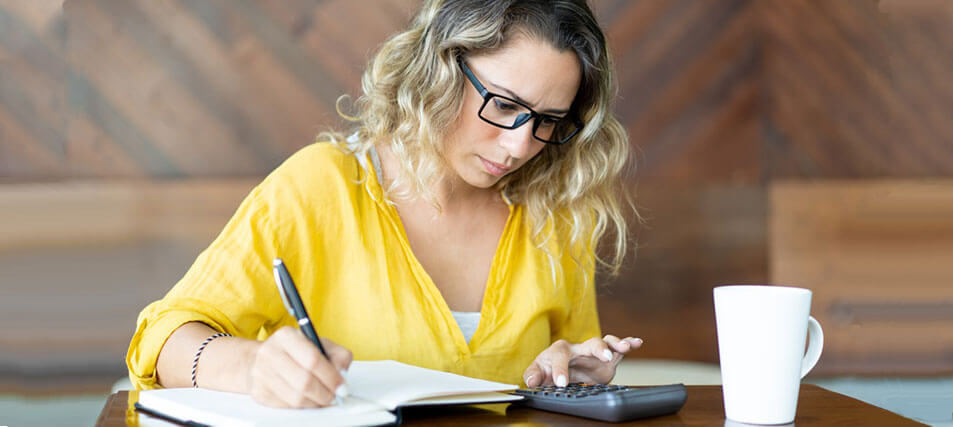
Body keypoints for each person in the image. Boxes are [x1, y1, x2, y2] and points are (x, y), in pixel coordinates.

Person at [126, 0, 641, 409]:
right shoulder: (320, 187)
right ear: (437, 70)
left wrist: (572, 376)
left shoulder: (557, 215)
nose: (520, 146)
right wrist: (251, 367)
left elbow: (570, 360)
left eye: (549, 121)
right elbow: (163, 340)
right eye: (504, 105)